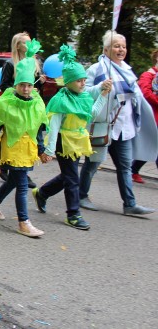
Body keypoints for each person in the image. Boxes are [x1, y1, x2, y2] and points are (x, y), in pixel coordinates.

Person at [33, 45, 112, 230]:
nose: (83, 83)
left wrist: (103, 92)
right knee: (72, 178)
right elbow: (53, 128)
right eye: (78, 81)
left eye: (84, 80)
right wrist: (49, 150)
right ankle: (73, 214)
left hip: (77, 141)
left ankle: (42, 193)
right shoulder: (61, 101)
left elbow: (91, 112)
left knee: (69, 175)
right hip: (63, 142)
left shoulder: (82, 95)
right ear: (68, 82)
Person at [79, 31, 157, 215]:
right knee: (92, 165)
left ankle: (129, 204)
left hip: (124, 128)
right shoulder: (97, 69)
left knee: (125, 167)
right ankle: (81, 196)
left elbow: (137, 97)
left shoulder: (128, 71)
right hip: (103, 127)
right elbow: (85, 93)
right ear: (106, 49)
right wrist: (101, 87)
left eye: (123, 46)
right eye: (116, 46)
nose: (121, 49)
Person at [0, 39, 49, 237]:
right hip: (12, 146)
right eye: (22, 85)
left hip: (27, 148)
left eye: (29, 85)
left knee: (13, 180)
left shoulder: (36, 103)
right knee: (22, 184)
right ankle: (24, 222)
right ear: (16, 84)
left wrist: (42, 149)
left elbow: (38, 128)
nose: (26, 89)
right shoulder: (7, 103)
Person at [0, 32, 44, 188]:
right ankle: (7, 165)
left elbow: (35, 85)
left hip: (29, 105)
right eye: (26, 43)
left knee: (28, 135)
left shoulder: (34, 63)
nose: (29, 46)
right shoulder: (10, 63)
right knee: (9, 134)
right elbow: (4, 85)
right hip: (13, 104)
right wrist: (17, 92)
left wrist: (39, 83)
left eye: (30, 43)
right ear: (18, 46)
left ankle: (22, 170)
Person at [130, 49, 158, 183]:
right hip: (152, 115)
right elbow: (145, 93)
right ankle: (132, 170)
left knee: (151, 145)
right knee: (154, 144)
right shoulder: (148, 74)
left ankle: (133, 170)